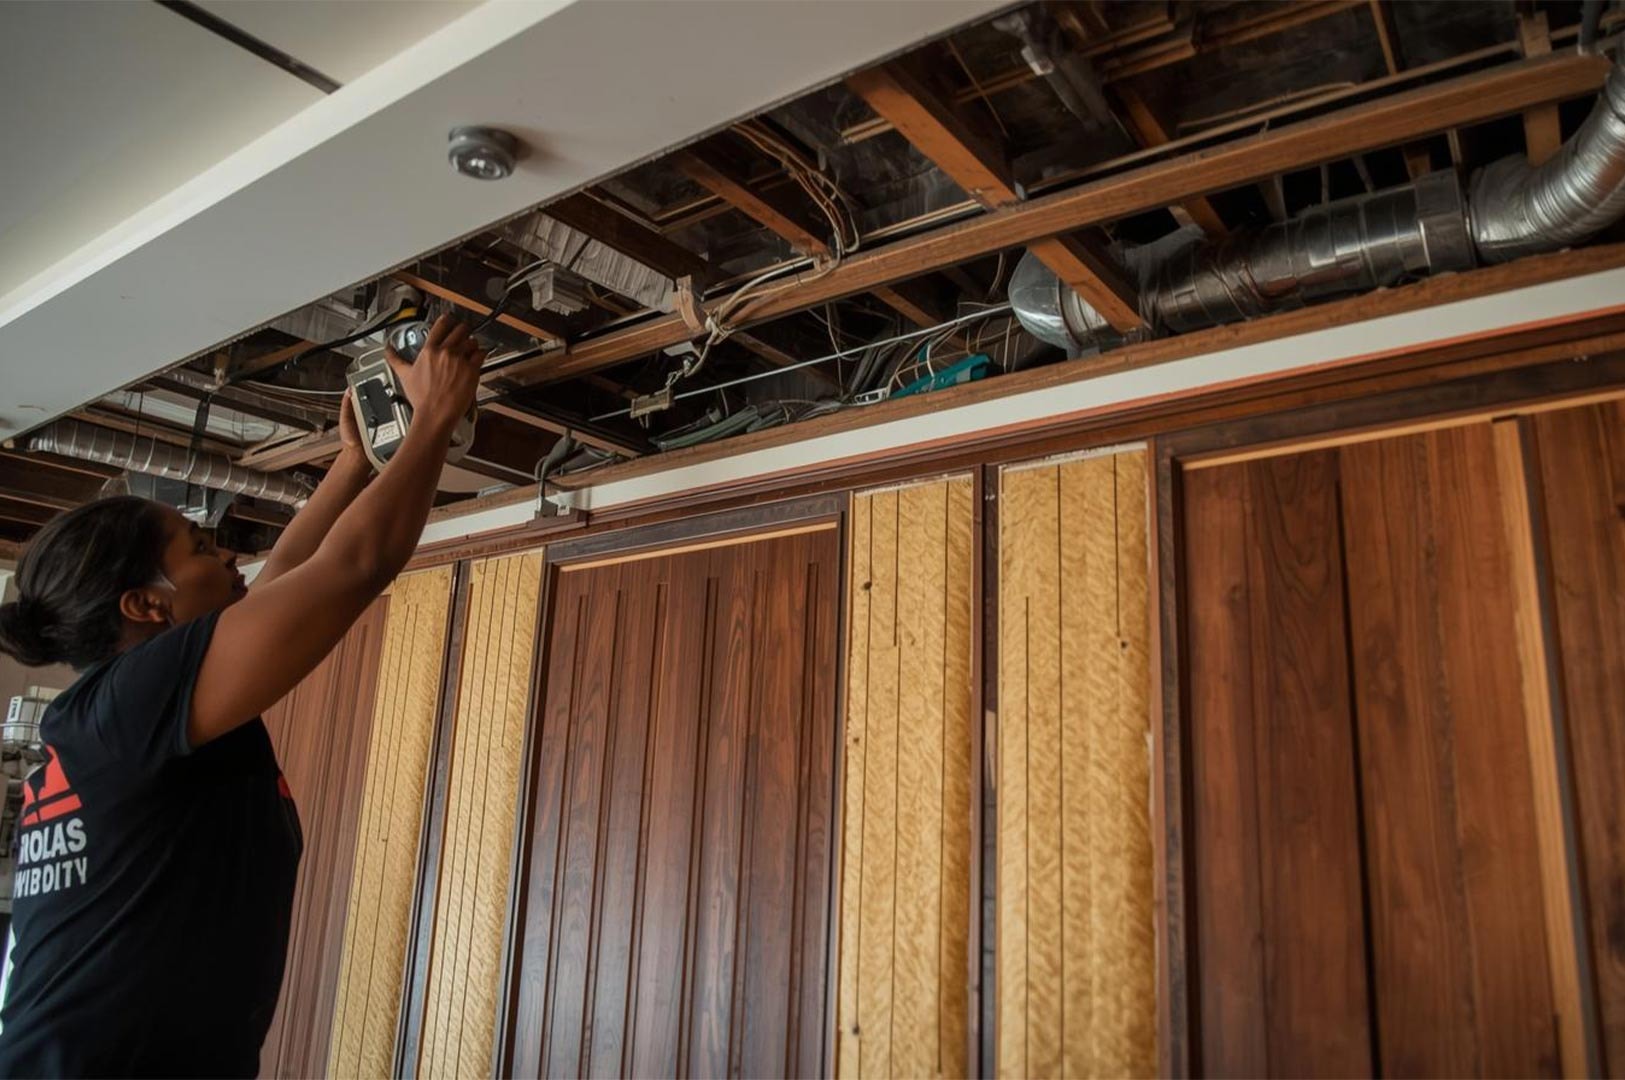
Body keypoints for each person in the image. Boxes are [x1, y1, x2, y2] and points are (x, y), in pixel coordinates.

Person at [0, 316, 485, 1077]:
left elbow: (289, 575)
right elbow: (351, 568)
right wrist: (434, 421)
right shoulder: (130, 706)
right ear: (146, 606)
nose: (225, 550)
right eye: (197, 548)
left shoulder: (112, 717)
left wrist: (355, 462)